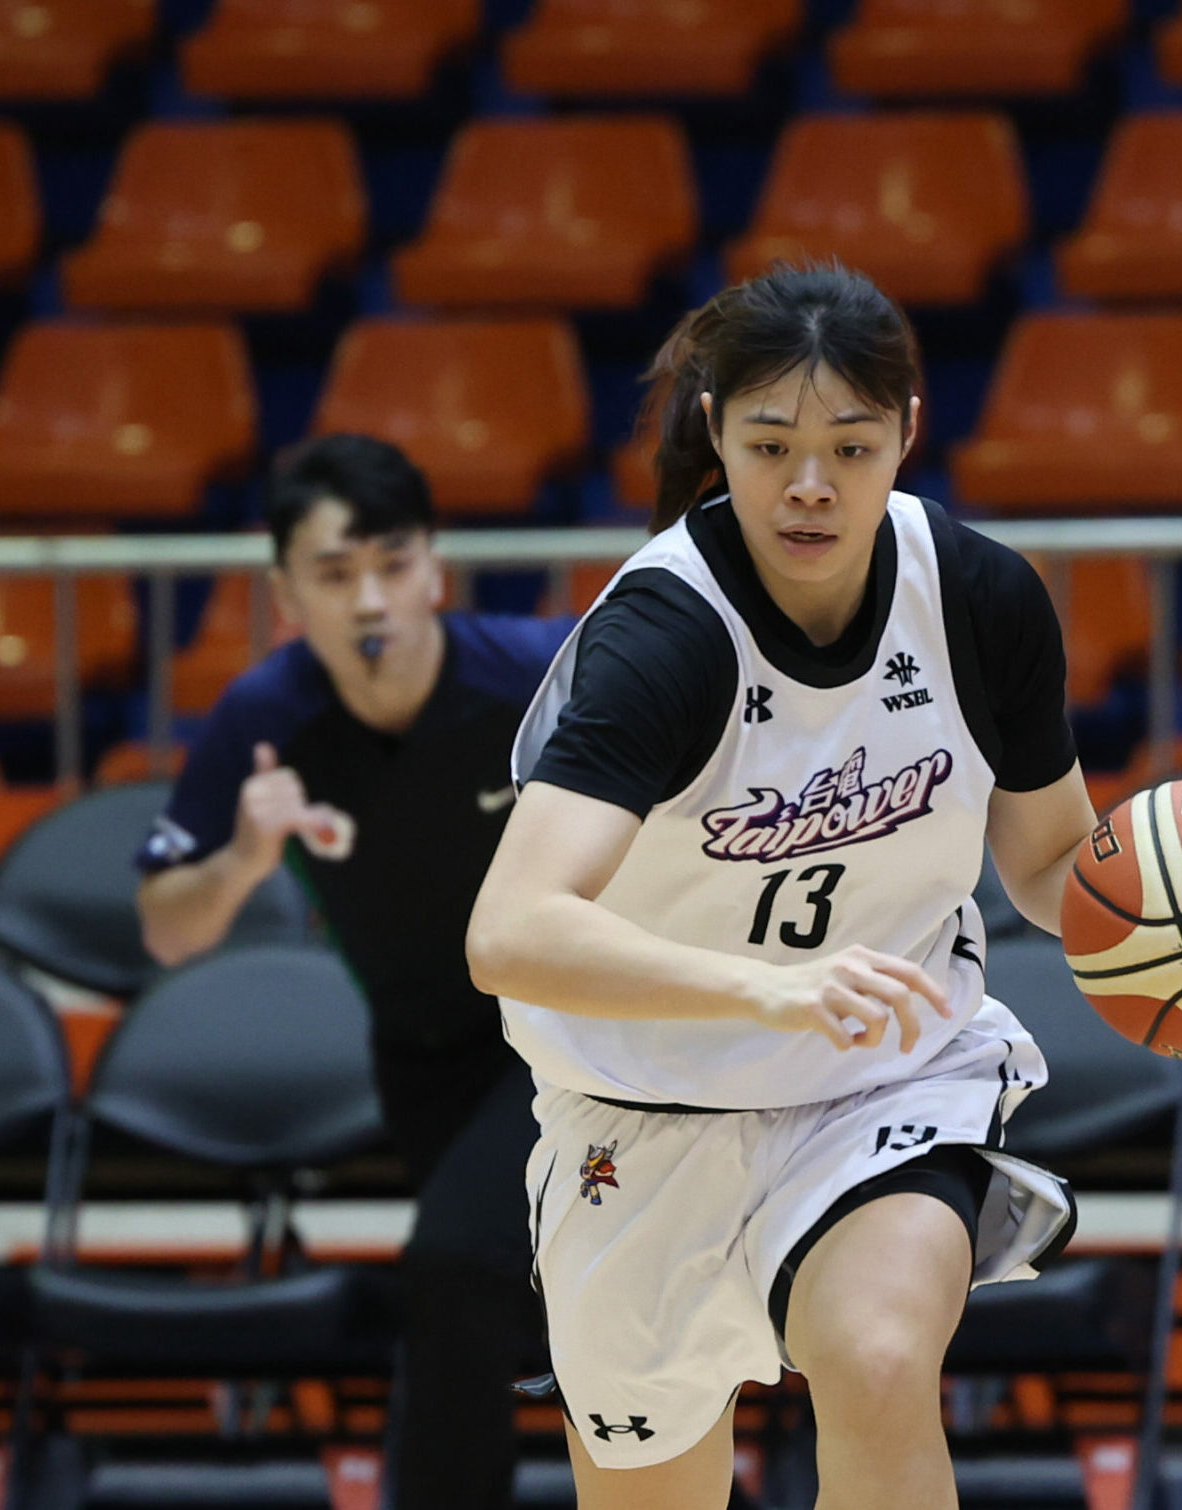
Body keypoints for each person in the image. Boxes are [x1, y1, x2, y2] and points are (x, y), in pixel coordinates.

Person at [464, 262, 1095, 1510]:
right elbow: (511, 932)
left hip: (882, 1080)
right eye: (771, 447)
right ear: (716, 432)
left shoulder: (978, 598)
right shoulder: (665, 636)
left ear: (907, 433)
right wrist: (766, 990)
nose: (810, 485)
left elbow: (1047, 862)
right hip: (640, 1106)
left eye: (850, 448)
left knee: (877, 1356)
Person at [135, 434, 567, 1510]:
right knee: (534, 1318)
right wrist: (242, 859)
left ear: (434, 568)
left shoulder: (538, 677)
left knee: (456, 1268)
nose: (370, 599)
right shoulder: (265, 716)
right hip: (420, 1060)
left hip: (567, 1044)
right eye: (334, 574)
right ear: (287, 596)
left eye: (392, 563)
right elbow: (167, 929)